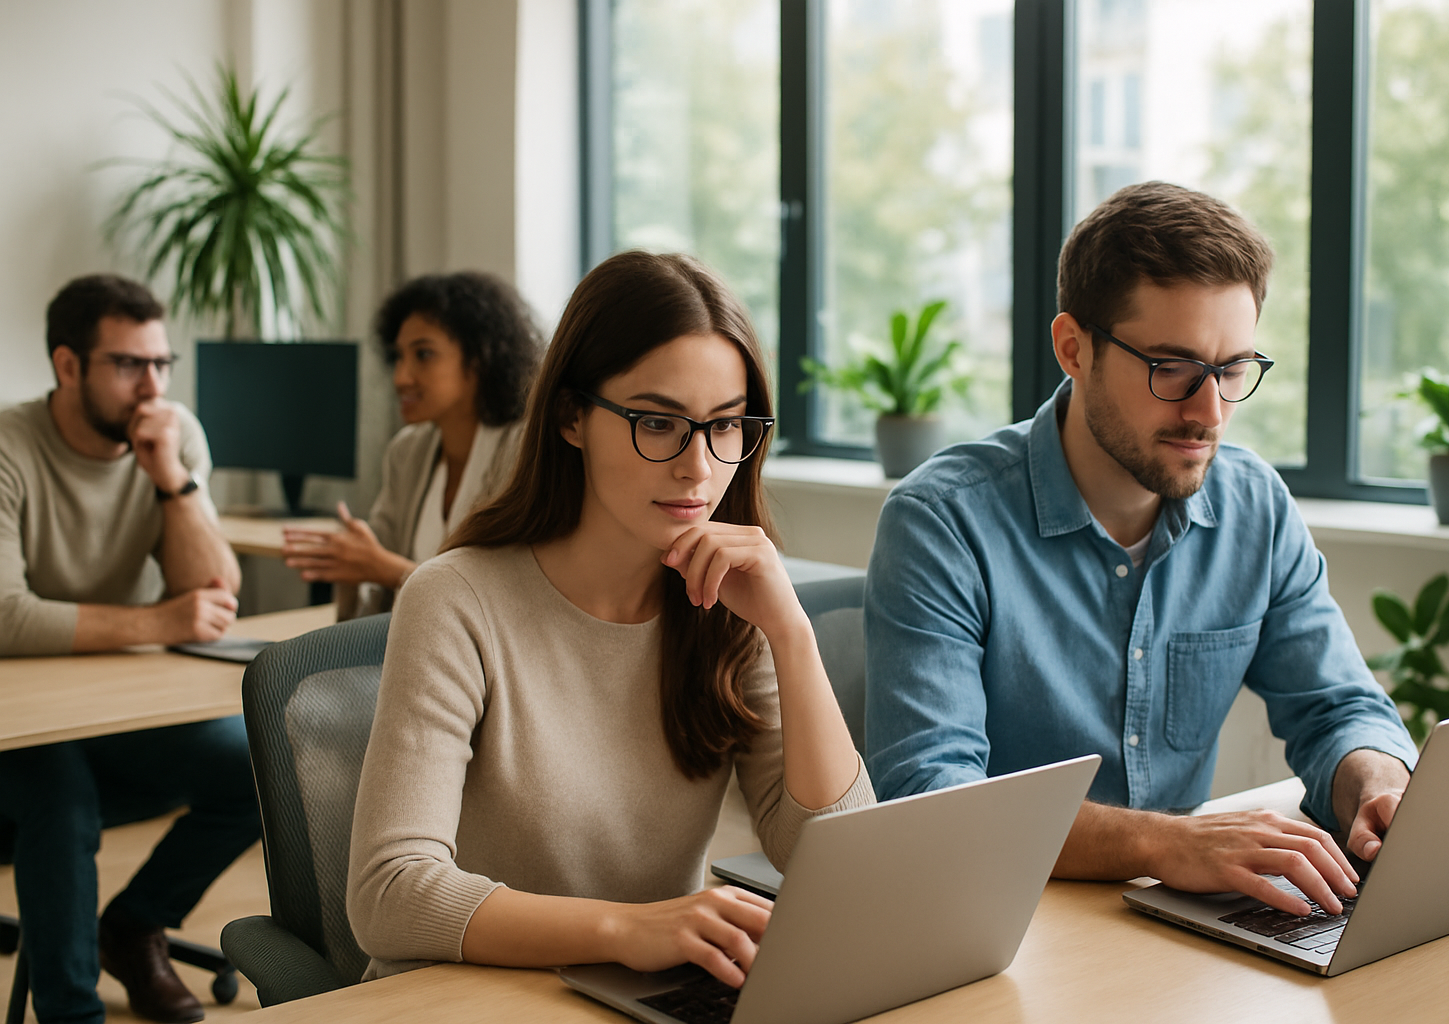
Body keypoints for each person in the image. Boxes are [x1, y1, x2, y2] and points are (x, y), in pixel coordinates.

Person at [864, 182, 1418, 920]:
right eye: (1172, 368)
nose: (1209, 411)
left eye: (1231, 370)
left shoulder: (1253, 507)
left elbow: (1336, 706)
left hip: (1175, 929)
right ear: (1074, 348)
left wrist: (1376, 780)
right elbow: (934, 803)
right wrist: (1163, 845)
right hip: (1000, 923)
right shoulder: (944, 521)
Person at [346, 251, 874, 984]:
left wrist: (791, 635)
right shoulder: (456, 599)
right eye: (659, 422)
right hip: (463, 999)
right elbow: (389, 895)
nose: (699, 467)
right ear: (570, 416)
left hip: (632, 994)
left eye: (726, 426)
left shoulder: (727, 604)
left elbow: (836, 865)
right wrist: (624, 927)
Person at [0, 274, 262, 1024]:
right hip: (14, 727)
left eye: (161, 363)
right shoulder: (9, 447)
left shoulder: (171, 435)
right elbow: (4, 616)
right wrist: (156, 623)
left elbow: (212, 592)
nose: (151, 386)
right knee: (61, 793)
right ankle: (70, 1012)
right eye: (127, 365)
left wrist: (170, 479)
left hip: (110, 709)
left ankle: (134, 924)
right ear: (68, 366)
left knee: (259, 763)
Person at [280, 271, 543, 619]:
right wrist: (352, 556)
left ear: (480, 358)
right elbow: (372, 579)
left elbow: (504, 599)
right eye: (398, 357)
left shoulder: (525, 450)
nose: (401, 377)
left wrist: (385, 568)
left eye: (423, 355)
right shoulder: (408, 452)